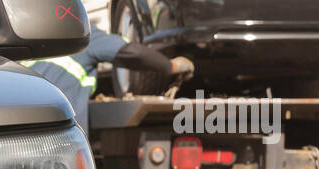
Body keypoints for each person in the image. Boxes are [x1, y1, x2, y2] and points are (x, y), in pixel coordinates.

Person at [23, 26, 193, 132]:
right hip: (59, 133)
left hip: (21, 127)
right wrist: (171, 66)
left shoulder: (30, 43)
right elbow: (132, 53)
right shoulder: (80, 37)